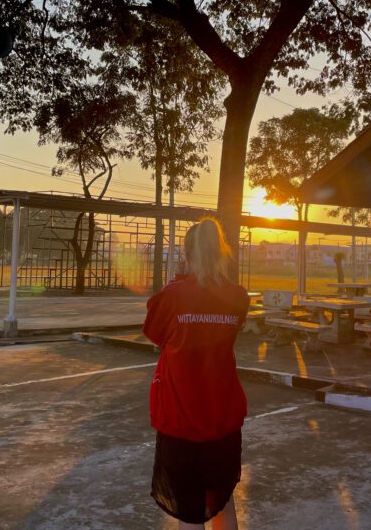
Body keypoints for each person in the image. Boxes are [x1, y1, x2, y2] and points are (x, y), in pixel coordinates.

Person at [143, 217, 250, 530]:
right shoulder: (237, 297)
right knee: (222, 504)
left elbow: (155, 333)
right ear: (222, 253)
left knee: (189, 513)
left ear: (187, 255)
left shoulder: (173, 296)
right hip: (223, 417)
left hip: (181, 418)